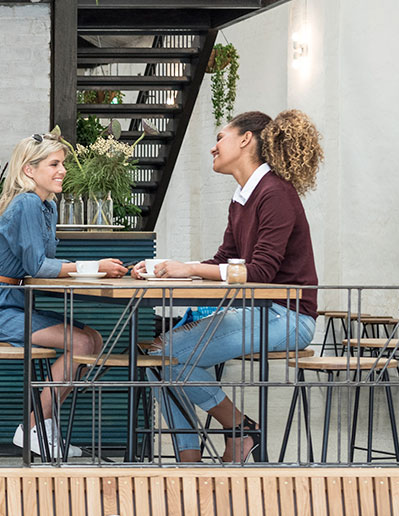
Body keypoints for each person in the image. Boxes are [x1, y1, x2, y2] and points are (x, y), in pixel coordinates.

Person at [136, 110, 322, 463]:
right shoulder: (243, 197)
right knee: (156, 354)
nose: (213, 147)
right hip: (259, 313)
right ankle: (191, 454)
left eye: (220, 137)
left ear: (245, 139)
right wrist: (165, 269)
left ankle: (236, 431)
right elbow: (225, 259)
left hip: (289, 317)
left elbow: (261, 272)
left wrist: (187, 268)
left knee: (166, 355)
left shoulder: (275, 194)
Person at [0, 132, 129, 458]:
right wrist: (92, 266)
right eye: (54, 164)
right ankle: (33, 427)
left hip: (13, 303)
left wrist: (87, 269)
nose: (62, 170)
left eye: (63, 164)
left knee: (93, 338)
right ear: (30, 170)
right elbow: (39, 266)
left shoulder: (46, 206)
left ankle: (45, 425)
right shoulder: (28, 202)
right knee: (82, 344)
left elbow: (40, 266)